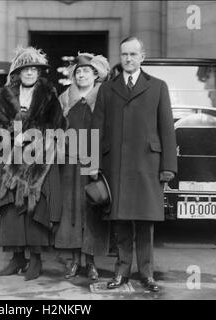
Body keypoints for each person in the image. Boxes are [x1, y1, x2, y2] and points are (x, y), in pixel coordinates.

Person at [92, 36, 177, 292]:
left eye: (133, 54)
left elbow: (166, 129)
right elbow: (96, 128)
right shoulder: (107, 89)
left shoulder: (158, 86)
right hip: (114, 164)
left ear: (143, 56)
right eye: (124, 54)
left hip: (147, 164)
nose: (128, 59)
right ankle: (121, 271)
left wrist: (168, 166)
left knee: (144, 221)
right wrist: (92, 164)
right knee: (120, 221)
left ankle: (147, 273)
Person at [0, 46, 66, 281]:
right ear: (18, 72)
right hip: (11, 159)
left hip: (38, 160)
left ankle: (35, 261)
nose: (30, 73)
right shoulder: (4, 94)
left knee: (35, 206)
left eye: (34, 69)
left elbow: (59, 126)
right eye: (26, 69)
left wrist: (35, 134)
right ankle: (16, 259)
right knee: (12, 208)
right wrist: (13, 134)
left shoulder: (49, 94)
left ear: (39, 72)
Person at [54, 53, 110, 281]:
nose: (82, 74)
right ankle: (75, 261)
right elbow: (56, 130)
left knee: (92, 210)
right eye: (78, 71)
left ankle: (92, 262)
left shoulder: (104, 98)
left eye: (87, 71)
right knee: (72, 211)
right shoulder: (64, 99)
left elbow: (106, 132)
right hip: (69, 163)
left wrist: (97, 161)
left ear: (95, 74)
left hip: (93, 163)